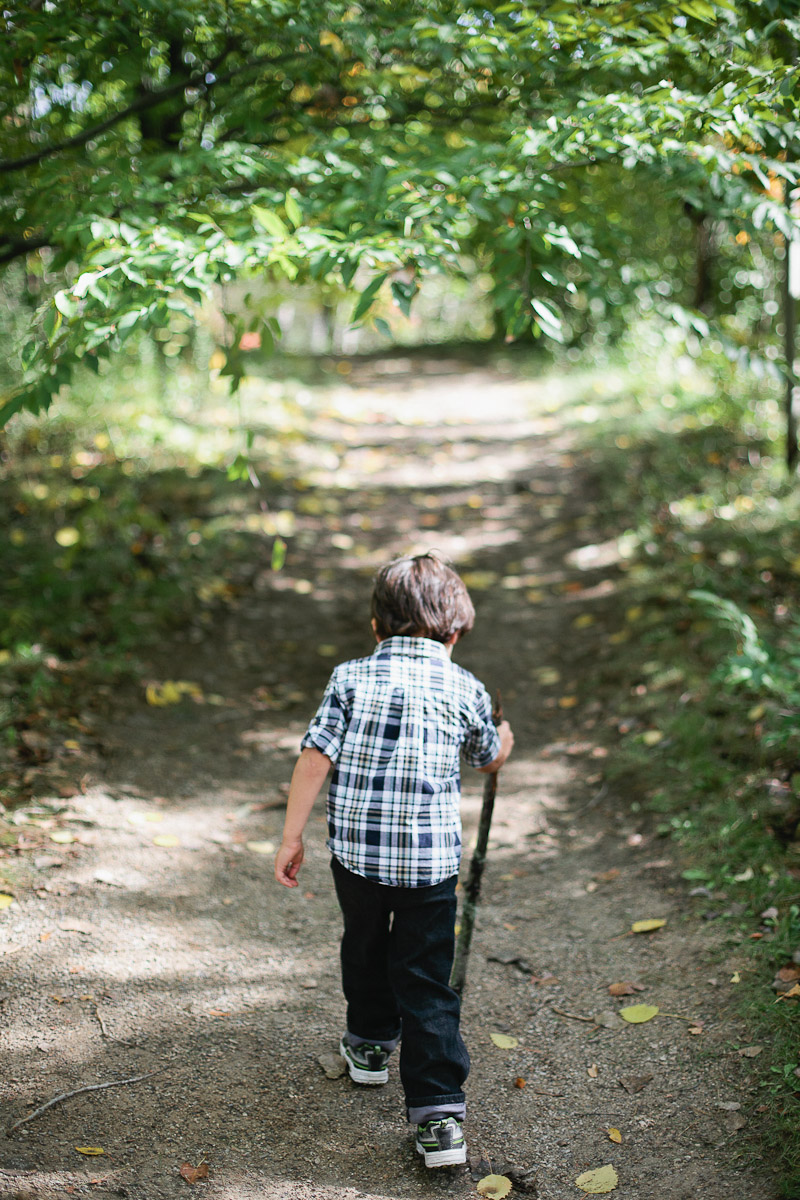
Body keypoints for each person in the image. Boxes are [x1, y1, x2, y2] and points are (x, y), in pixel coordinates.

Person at [274, 552, 514, 1169]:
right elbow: (487, 756)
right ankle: (438, 1115)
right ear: (456, 631)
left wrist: (291, 836)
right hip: (430, 867)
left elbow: (314, 757)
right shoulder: (466, 687)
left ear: (375, 626)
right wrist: (502, 741)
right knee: (427, 976)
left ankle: (372, 1045)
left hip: (355, 856)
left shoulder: (350, 678)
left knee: (364, 943)